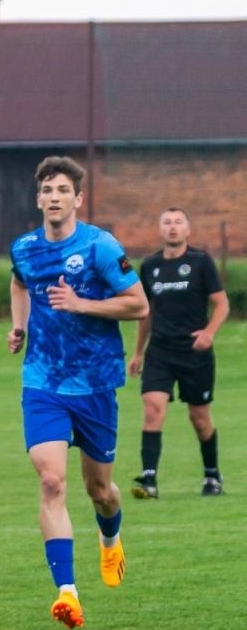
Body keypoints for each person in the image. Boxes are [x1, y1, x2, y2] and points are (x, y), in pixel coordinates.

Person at [8, 156, 147, 630]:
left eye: (62, 190)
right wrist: (19, 325)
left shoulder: (101, 246)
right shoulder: (24, 247)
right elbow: (18, 281)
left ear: (78, 199)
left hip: (95, 383)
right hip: (42, 381)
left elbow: (138, 303)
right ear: (38, 198)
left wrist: (81, 303)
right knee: (51, 481)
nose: (53, 197)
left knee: (99, 489)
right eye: (46, 190)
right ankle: (67, 593)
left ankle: (110, 541)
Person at [128, 207, 228, 498]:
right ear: (160, 230)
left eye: (178, 222)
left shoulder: (201, 262)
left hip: (194, 353)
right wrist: (138, 352)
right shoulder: (150, 266)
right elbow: (146, 312)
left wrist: (209, 333)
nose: (173, 227)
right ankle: (149, 481)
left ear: (188, 230)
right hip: (160, 350)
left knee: (199, 417)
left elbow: (221, 304)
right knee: (152, 409)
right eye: (167, 223)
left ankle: (212, 476)